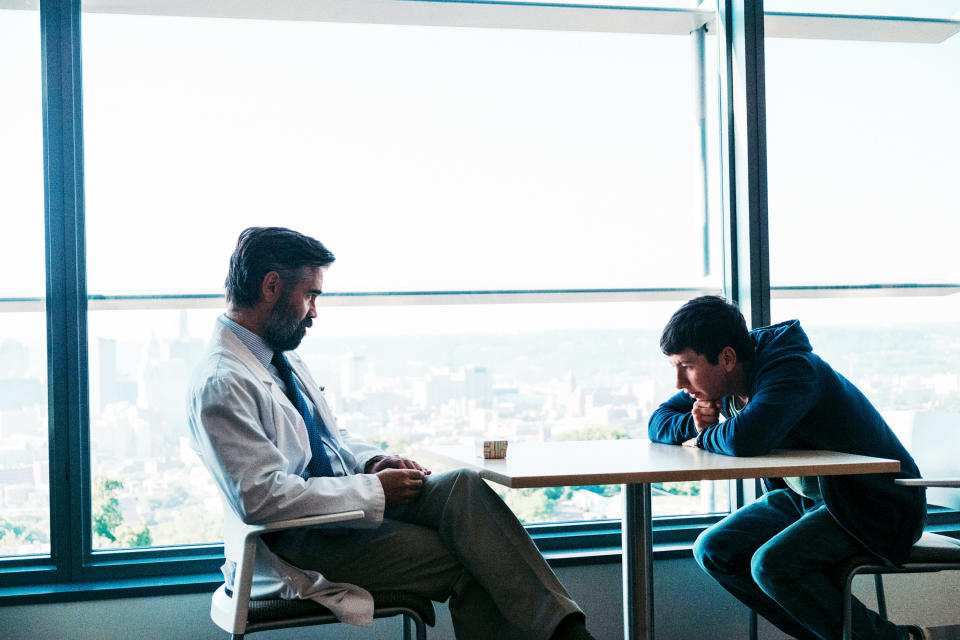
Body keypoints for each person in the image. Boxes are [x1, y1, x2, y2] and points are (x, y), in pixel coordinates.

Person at [187, 226, 593, 640]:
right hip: (299, 545)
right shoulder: (223, 381)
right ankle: (571, 637)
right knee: (477, 562)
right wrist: (376, 491)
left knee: (462, 487)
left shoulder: (277, 361)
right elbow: (260, 500)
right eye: (310, 295)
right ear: (271, 286)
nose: (313, 312)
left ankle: (569, 632)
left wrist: (371, 462)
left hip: (338, 512)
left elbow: (328, 439)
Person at [648, 295, 929, 640]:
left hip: (874, 502)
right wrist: (693, 427)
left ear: (727, 358)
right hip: (810, 500)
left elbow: (746, 439)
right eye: (675, 367)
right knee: (714, 550)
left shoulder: (791, 369)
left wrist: (705, 434)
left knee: (771, 566)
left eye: (687, 366)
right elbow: (657, 422)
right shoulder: (716, 384)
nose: (679, 382)